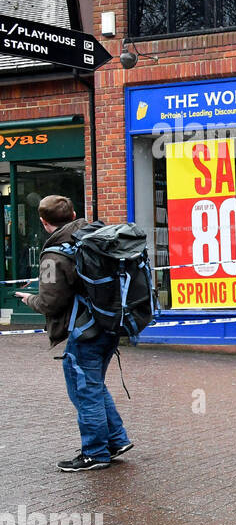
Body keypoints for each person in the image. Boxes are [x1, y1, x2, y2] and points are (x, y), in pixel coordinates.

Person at [15, 196, 132, 472]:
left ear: (44, 223)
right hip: (110, 323)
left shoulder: (54, 255)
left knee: (84, 391)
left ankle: (94, 453)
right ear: (75, 214)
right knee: (93, 385)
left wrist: (28, 300)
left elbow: (49, 302)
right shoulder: (94, 235)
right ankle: (116, 440)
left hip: (85, 330)